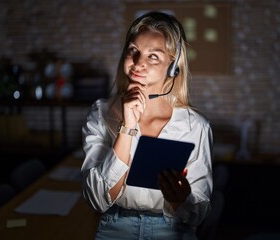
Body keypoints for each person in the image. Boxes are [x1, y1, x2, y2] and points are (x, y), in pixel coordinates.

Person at [81, 11, 213, 239]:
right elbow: (97, 200)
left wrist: (182, 200)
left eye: (153, 56)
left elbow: (198, 215)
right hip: (115, 227)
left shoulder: (195, 126)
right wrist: (127, 127)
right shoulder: (101, 111)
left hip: (172, 229)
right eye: (133, 51)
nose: (138, 64)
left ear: (173, 67)